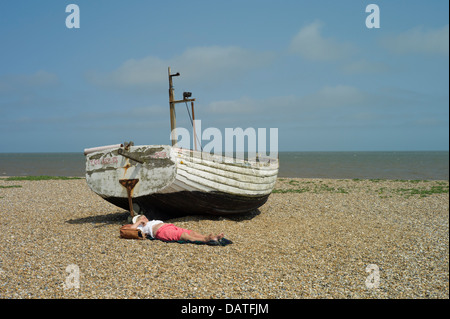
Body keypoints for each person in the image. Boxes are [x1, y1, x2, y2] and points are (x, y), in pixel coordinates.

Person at [128, 215, 225, 243]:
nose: (144, 217)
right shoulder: (140, 227)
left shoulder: (150, 221)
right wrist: (139, 222)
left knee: (192, 232)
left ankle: (210, 237)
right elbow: (131, 230)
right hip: (161, 232)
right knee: (185, 236)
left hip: (169, 226)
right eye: (142, 217)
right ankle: (205, 239)